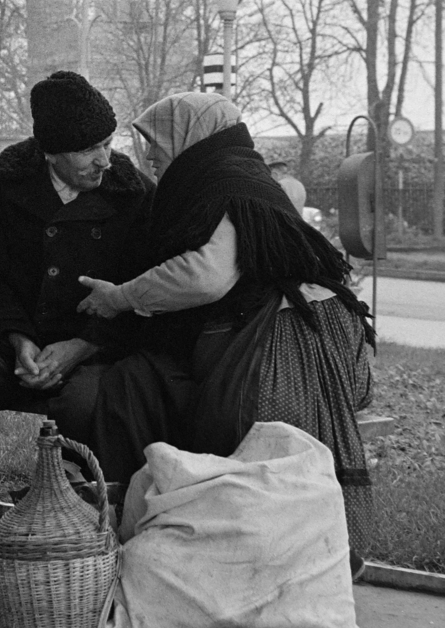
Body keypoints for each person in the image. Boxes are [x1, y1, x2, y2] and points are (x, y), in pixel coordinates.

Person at [80, 90, 376, 562]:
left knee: (251, 458)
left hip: (276, 343)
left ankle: (238, 559)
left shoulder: (222, 180)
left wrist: (120, 298)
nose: (151, 154)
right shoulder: (237, 176)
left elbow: (205, 275)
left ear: (190, 136)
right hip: (303, 329)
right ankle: (299, 559)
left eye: (158, 140)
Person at [0, 71, 154, 595]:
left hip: (89, 352)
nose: (104, 159)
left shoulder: (133, 194)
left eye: (108, 144)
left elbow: (141, 294)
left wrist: (81, 345)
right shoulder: (7, 181)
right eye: (89, 149)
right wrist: (17, 338)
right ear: (52, 152)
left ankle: (82, 549)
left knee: (92, 397)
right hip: (12, 346)